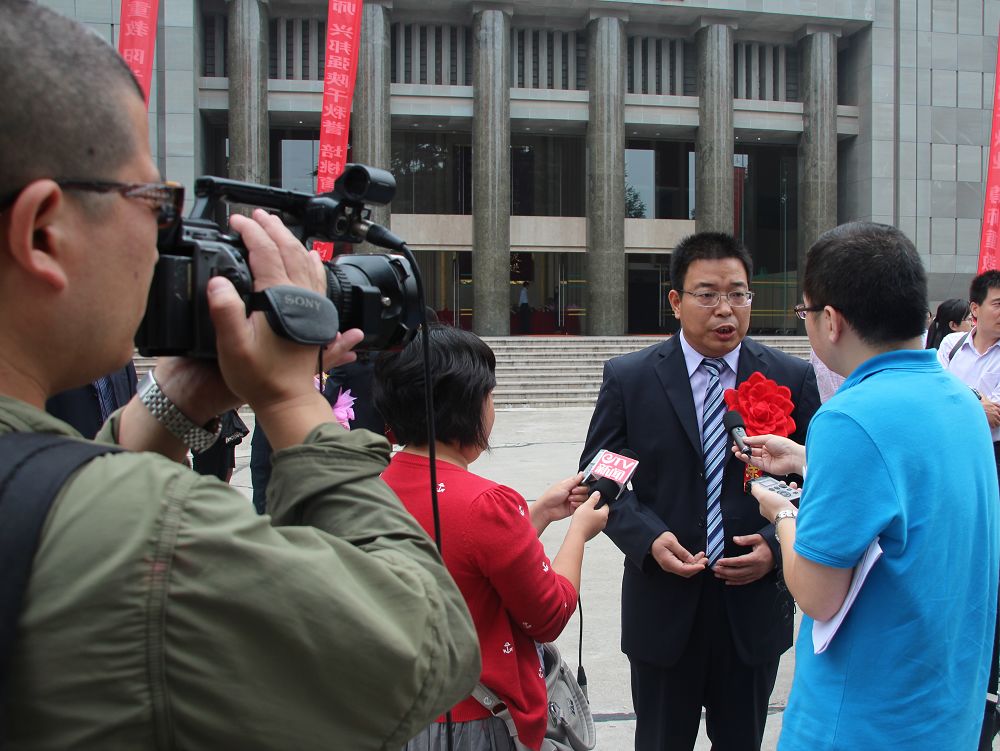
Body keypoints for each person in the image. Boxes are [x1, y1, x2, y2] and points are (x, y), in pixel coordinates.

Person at [0, 3, 479, 748]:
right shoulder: (147, 535)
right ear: (42, 231)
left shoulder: (62, 509)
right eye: (153, 203)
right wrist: (290, 396)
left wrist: (178, 398)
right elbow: (425, 646)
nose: (163, 239)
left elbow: (43, 499)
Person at [742, 222, 999, 749]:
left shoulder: (849, 417)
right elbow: (910, 491)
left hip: (861, 721)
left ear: (831, 320)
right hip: (945, 713)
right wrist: (808, 460)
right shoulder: (962, 401)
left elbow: (818, 594)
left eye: (805, 312)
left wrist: (782, 513)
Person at [580, 231, 820, 751]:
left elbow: (818, 479)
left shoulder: (791, 376)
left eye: (738, 294)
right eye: (707, 294)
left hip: (752, 609)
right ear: (676, 301)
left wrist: (774, 545)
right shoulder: (631, 378)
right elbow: (601, 474)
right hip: (663, 603)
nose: (725, 309)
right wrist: (647, 538)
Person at [374, 323, 608, 751]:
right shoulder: (486, 503)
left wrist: (539, 512)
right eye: (490, 395)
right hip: (468, 725)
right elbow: (549, 614)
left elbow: (464, 561)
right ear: (468, 406)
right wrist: (578, 531)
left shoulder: (372, 487)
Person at [45, 362, 137, 439]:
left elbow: (133, 400)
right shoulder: (53, 358)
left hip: (120, 450)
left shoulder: (121, 354)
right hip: (76, 450)